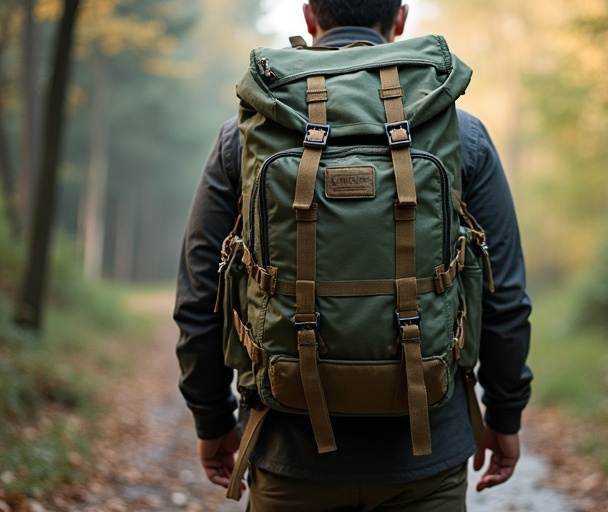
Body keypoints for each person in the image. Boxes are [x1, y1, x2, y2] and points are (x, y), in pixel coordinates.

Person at [174, 1, 533, 510]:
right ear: (401, 19)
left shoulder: (247, 134)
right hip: (426, 459)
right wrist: (505, 414)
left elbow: (198, 296)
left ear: (309, 17)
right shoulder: (458, 131)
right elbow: (506, 296)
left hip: (289, 455)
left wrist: (211, 420)